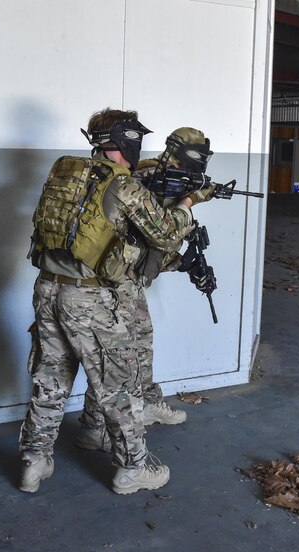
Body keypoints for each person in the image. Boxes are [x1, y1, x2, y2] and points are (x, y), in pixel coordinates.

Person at [19, 109, 198, 495]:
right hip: (90, 298)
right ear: (126, 141)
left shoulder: (66, 170)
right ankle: (133, 467)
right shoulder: (122, 184)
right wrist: (187, 204)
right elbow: (166, 234)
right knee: (117, 386)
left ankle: (34, 463)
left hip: (48, 287)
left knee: (50, 379)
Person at [75, 128, 217, 453]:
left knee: (138, 349)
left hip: (130, 276)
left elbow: (153, 247)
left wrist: (185, 263)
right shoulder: (142, 178)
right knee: (119, 360)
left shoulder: (172, 180)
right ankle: (107, 430)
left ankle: (135, 409)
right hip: (115, 280)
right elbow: (155, 233)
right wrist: (189, 203)